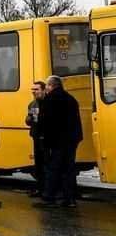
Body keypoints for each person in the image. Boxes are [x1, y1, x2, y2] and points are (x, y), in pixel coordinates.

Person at [38, 75, 84, 208]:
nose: (46, 88)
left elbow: (45, 122)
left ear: (51, 86)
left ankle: (49, 197)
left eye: (47, 85)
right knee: (68, 169)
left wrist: (45, 141)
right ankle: (69, 199)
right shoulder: (71, 99)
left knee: (53, 168)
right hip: (72, 141)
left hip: (57, 141)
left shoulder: (50, 99)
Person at [25, 81, 46, 197]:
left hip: (46, 138)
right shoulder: (33, 104)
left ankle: (49, 190)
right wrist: (29, 119)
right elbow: (31, 120)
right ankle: (41, 188)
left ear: (43, 90)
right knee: (38, 165)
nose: (34, 92)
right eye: (33, 90)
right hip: (36, 137)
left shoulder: (48, 103)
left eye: (36, 89)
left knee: (47, 164)